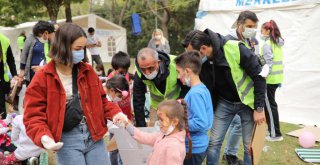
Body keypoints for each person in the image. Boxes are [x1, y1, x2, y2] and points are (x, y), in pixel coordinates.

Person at [23, 23, 128, 165]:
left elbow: (102, 101)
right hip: (67, 140)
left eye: (84, 48)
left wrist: (116, 114)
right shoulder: (43, 77)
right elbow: (33, 115)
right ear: (63, 47)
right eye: (78, 49)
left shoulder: (88, 71)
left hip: (94, 136)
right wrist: (43, 136)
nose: (82, 53)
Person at [182, 29, 266, 165]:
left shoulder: (235, 48)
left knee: (248, 146)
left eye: (193, 54)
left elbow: (259, 75)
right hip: (224, 103)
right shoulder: (202, 62)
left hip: (247, 104)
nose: (191, 58)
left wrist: (259, 108)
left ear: (203, 48)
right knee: (214, 143)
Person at [222, 10, 259, 165]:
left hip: (247, 93)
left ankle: (230, 153)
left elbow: (256, 62)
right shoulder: (228, 40)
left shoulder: (253, 41)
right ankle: (229, 153)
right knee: (236, 124)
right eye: (249, 26)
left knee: (239, 125)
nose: (253, 29)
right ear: (240, 25)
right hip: (233, 92)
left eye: (255, 26)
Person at [118, 100, 189, 165]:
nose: (158, 123)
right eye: (158, 119)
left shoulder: (173, 146)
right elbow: (144, 137)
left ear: (174, 122)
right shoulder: (162, 135)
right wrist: (127, 124)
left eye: (161, 120)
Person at [174, 51, 214, 165]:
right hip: (199, 145)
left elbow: (201, 122)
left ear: (187, 71)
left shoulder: (195, 94)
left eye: (178, 72)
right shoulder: (202, 88)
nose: (178, 76)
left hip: (193, 148)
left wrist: (177, 123)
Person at [133, 48, 188, 127]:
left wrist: (179, 105)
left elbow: (186, 88)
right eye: (143, 69)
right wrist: (141, 127)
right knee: (154, 133)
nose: (147, 73)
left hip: (176, 105)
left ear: (158, 62)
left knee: (176, 131)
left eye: (150, 68)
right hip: (156, 108)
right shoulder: (139, 73)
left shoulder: (175, 64)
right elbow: (138, 101)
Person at [260, 20, 284, 142]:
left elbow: (268, 63)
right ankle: (273, 132)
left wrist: (262, 76)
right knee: (271, 105)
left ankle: (275, 135)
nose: (261, 33)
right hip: (276, 79)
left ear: (268, 31)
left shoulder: (268, 44)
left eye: (262, 30)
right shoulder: (277, 43)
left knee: (269, 106)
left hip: (269, 80)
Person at [19, 20, 55, 85]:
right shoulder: (31, 38)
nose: (39, 37)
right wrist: (22, 69)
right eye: (38, 35)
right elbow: (24, 54)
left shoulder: (52, 40)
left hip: (47, 72)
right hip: (32, 72)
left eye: (40, 35)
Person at [105, 75, 130, 165]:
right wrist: (121, 127)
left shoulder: (112, 99)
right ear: (111, 90)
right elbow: (108, 123)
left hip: (112, 128)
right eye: (119, 96)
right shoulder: (103, 99)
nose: (119, 99)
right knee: (112, 150)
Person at [107, 51, 132, 120]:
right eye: (121, 72)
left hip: (127, 111)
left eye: (126, 71)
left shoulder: (125, 75)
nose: (124, 74)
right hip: (118, 116)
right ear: (113, 67)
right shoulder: (110, 81)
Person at [0, 32, 20, 118]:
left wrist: (15, 74)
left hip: (3, 80)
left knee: (2, 107)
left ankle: (2, 128)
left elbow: (10, 59)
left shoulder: (4, 40)